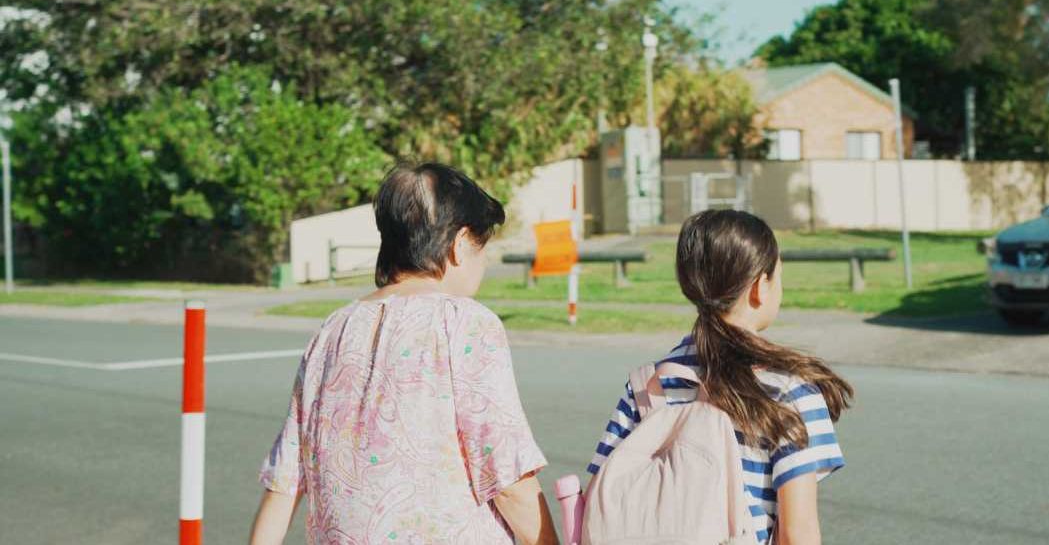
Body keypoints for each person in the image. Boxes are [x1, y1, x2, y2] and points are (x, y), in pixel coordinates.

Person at [250, 163, 558, 545]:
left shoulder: (333, 329)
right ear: (461, 244)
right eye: (483, 250)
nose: (484, 264)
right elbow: (508, 478)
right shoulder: (464, 323)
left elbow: (286, 480)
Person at [586, 209, 853, 545]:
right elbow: (797, 534)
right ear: (759, 287)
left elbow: (602, 489)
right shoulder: (788, 389)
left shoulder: (647, 384)